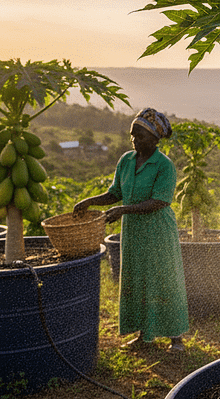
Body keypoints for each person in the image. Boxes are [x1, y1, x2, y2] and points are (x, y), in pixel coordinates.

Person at [74, 108, 189, 351]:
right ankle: (142, 334)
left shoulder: (164, 165)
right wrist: (89, 201)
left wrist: (123, 210)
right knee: (136, 279)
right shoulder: (126, 161)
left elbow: (159, 201)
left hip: (158, 230)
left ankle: (175, 336)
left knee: (164, 279)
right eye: (132, 136)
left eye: (141, 136)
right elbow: (114, 193)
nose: (135, 141)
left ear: (155, 139)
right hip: (135, 231)